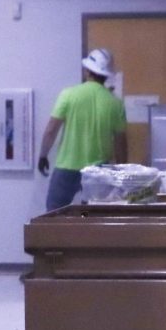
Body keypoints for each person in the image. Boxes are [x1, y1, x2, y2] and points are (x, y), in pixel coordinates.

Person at [37, 48, 127, 211]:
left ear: (87, 71)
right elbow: (120, 144)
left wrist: (43, 155)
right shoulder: (115, 103)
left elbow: (51, 129)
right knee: (94, 219)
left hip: (67, 167)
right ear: (106, 75)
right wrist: (120, 173)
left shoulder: (69, 95)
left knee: (54, 217)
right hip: (99, 171)